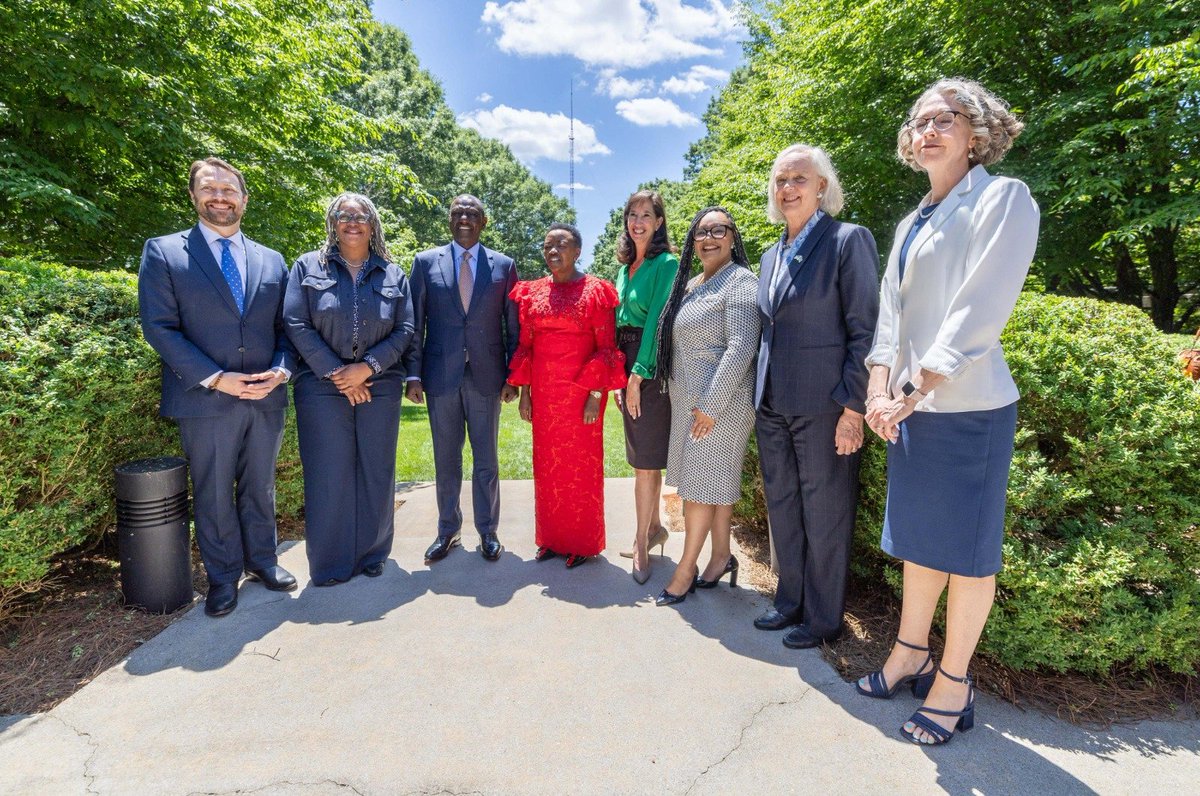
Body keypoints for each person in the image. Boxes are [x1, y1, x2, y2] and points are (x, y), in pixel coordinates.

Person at [858, 78, 1039, 746]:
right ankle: (910, 651)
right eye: (919, 120)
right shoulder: (912, 221)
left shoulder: (1002, 198)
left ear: (978, 132)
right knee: (919, 544)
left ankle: (954, 682)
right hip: (910, 409)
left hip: (968, 409)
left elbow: (979, 307)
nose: (928, 129)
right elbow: (891, 319)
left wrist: (917, 386)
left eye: (946, 118)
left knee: (966, 555)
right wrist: (880, 388)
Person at [138, 157, 296, 617]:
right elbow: (160, 327)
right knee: (212, 491)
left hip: (265, 397)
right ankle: (223, 578)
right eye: (210, 189)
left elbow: (289, 327)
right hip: (206, 398)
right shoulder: (165, 252)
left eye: (229, 190)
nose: (220, 197)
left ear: (244, 198)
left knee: (260, 486)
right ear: (193, 196)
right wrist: (217, 378)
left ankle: (263, 561)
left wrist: (281, 371)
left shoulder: (272, 259)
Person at [751, 145, 880, 649]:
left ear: (822, 186)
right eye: (780, 180)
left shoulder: (848, 241)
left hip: (826, 407)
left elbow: (865, 331)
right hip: (773, 405)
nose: (788, 189)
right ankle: (790, 604)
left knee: (825, 514)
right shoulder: (770, 254)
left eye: (799, 179)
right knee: (784, 508)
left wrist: (854, 407)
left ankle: (824, 620)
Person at [283, 193, 414, 586]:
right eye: (344, 215)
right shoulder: (307, 266)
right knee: (329, 472)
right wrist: (339, 373)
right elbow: (295, 322)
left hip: (380, 384)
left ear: (372, 224)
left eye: (361, 216)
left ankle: (374, 553)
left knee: (376, 469)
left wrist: (367, 368)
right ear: (333, 223)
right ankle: (330, 563)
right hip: (321, 386)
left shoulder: (393, 273)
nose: (352, 222)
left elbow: (406, 329)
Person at [402, 195, 520, 564]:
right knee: (446, 459)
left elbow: (513, 325)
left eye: (471, 214)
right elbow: (414, 322)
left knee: (486, 458)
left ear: (483, 221)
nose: (464, 218)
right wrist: (413, 373)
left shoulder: (504, 265)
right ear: (449, 220)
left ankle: (488, 531)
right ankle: (447, 530)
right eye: (457, 213)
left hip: (486, 376)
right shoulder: (424, 263)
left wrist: (513, 376)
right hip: (440, 376)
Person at [654, 207, 760, 606]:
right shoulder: (695, 283)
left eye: (719, 230)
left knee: (699, 489)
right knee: (713, 484)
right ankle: (720, 557)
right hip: (693, 404)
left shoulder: (741, 282)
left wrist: (711, 406)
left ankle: (685, 570)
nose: (709, 237)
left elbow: (740, 346)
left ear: (733, 237)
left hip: (721, 405)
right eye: (701, 232)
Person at [507, 223, 626, 568]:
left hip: (582, 394)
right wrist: (525, 393)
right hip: (545, 394)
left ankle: (581, 543)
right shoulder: (531, 292)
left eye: (561, 245)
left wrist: (594, 396)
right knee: (547, 468)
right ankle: (551, 539)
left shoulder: (596, 292)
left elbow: (606, 348)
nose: (553, 251)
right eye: (547, 246)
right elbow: (526, 346)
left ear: (577, 251)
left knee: (580, 468)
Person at [612, 190, 680, 584]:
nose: (638, 221)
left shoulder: (666, 263)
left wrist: (637, 376)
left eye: (646, 215)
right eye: (632, 214)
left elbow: (656, 322)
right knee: (643, 454)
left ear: (658, 222)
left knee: (645, 462)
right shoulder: (625, 268)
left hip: (648, 364)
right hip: (626, 361)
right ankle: (653, 528)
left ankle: (641, 543)